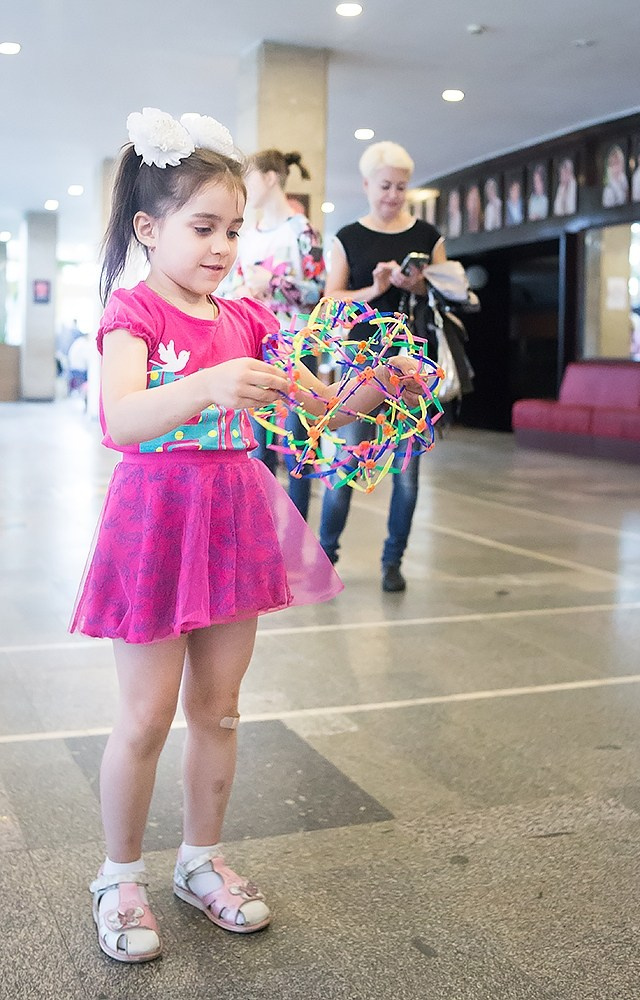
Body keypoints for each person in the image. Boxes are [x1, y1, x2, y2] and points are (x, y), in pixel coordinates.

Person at [69, 109, 427, 965]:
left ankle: (200, 859)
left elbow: (327, 415)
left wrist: (381, 385)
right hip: (156, 520)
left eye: (233, 228)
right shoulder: (134, 313)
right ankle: (119, 872)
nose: (224, 246)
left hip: (234, 520)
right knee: (147, 716)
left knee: (219, 712)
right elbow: (122, 417)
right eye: (203, 228)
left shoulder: (249, 323)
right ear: (150, 230)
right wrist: (208, 383)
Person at [318, 140, 445, 593]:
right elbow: (331, 300)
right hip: (362, 362)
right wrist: (374, 289)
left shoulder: (428, 237)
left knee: (406, 476)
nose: (393, 195)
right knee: (348, 463)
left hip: (413, 365)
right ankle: (325, 557)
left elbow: (448, 293)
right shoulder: (348, 238)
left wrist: (420, 282)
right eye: (385, 185)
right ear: (367, 185)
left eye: (401, 187)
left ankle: (393, 562)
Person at [222, 149, 324, 519]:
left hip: (296, 343)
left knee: (299, 442)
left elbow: (320, 291)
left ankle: (298, 536)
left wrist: (275, 283)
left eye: (249, 178)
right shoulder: (248, 235)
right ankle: (259, 528)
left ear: (269, 178)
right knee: (258, 442)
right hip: (257, 343)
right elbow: (231, 287)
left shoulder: (302, 230)